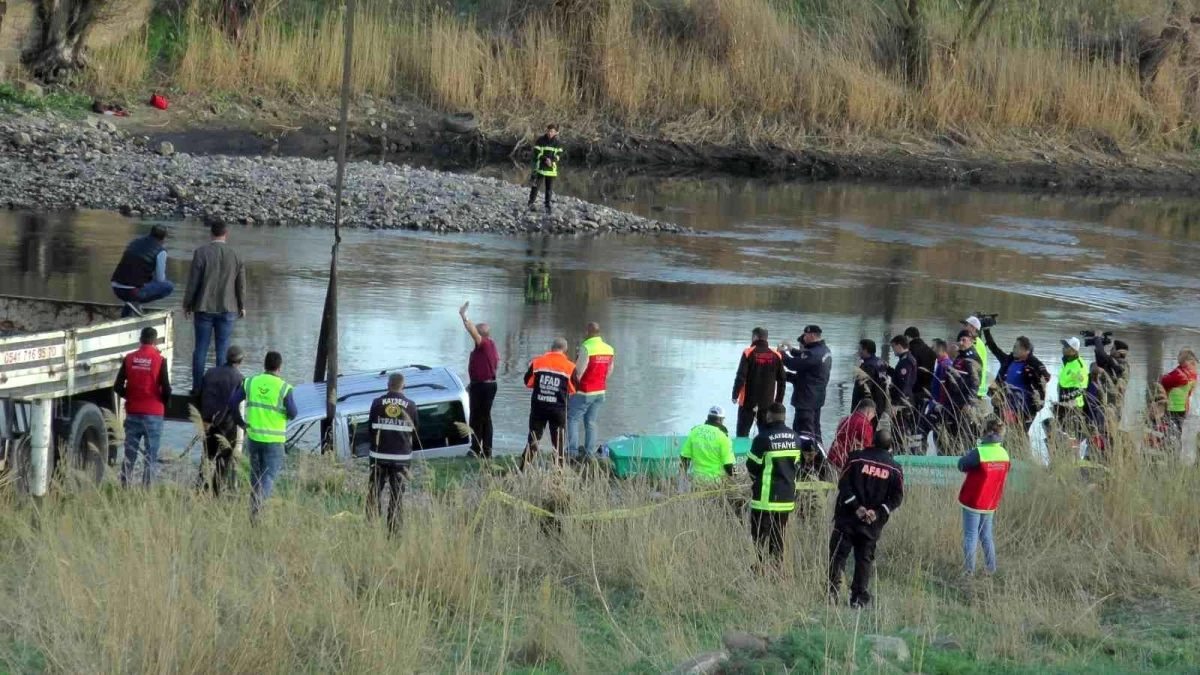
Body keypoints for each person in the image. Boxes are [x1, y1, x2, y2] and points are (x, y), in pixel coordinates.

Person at [828, 428, 904, 608]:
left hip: (847, 517)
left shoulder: (855, 458)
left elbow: (843, 485)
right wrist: (877, 512)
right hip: (872, 524)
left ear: (872, 442)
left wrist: (857, 507)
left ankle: (833, 593)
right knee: (864, 559)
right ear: (890, 447)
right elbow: (897, 498)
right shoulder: (895, 468)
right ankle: (858, 599)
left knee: (838, 556)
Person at [230, 351, 297, 520]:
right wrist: (286, 414)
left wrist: (241, 423)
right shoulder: (284, 388)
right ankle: (257, 508)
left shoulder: (251, 382)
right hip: (274, 441)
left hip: (254, 438)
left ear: (264, 365)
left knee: (256, 474)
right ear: (279, 367)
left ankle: (254, 509)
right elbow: (293, 413)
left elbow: (232, 402)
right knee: (268, 476)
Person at [183, 222, 247, 394]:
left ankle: (197, 388)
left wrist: (187, 304)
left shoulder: (201, 253)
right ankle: (220, 389)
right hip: (228, 308)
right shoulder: (236, 255)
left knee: (201, 349)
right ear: (226, 234)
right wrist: (242, 305)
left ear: (211, 234)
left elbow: (193, 283)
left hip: (203, 307)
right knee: (222, 351)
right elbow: (240, 285)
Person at [113, 327, 171, 488]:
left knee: (129, 454)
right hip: (154, 413)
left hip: (133, 412)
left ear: (140, 340)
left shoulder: (129, 358)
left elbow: (117, 386)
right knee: (150, 456)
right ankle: (146, 491)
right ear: (155, 342)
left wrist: (130, 396)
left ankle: (125, 487)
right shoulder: (160, 360)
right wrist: (164, 402)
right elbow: (166, 388)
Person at [365, 372, 420, 534]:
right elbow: (415, 432)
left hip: (379, 457)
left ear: (388, 385)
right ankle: (394, 532)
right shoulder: (411, 405)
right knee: (397, 497)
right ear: (404, 385)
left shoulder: (377, 403)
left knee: (374, 492)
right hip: (401, 459)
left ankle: (371, 527)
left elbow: (370, 428)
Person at [746, 403, 800, 566]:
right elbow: (796, 465)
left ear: (769, 416)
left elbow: (752, 466)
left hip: (765, 497)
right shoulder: (795, 437)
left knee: (759, 535)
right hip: (786, 497)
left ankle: (758, 568)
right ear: (785, 417)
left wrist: (756, 480)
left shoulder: (762, 438)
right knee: (779, 534)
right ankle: (777, 567)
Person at [957, 416, 1011, 575]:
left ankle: (969, 571)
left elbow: (961, 465)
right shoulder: (1004, 453)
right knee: (986, 536)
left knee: (970, 536)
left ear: (985, 432)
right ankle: (991, 568)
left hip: (973, 501)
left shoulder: (979, 452)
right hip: (991, 501)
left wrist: (971, 453)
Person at [195, 345, 246, 496]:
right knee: (223, 461)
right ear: (240, 361)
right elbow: (234, 405)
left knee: (206, 458)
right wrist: (241, 424)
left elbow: (201, 395)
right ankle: (217, 493)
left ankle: (199, 489)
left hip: (207, 423)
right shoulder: (239, 378)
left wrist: (205, 419)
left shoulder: (210, 372)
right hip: (226, 426)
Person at [522, 338, 576, 469]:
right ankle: (558, 473)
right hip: (558, 410)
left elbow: (527, 382)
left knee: (533, 440)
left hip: (538, 408)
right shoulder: (570, 366)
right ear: (565, 350)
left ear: (551, 348)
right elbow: (574, 388)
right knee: (558, 444)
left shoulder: (537, 362)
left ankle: (523, 469)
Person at [981, 330, 1050, 433]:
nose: (1012, 349)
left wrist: (1038, 400)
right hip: (1006, 407)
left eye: (1015, 347)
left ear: (1024, 349)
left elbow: (1046, 378)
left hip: (1024, 410)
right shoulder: (1009, 360)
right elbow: (995, 349)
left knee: (1020, 435)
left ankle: (1022, 448)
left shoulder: (1033, 364)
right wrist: (986, 331)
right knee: (1003, 433)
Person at [569, 322, 615, 458]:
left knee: (572, 418)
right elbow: (610, 371)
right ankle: (589, 452)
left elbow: (578, 372)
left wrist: (572, 388)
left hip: (585, 391)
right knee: (591, 422)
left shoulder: (586, 347)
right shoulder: (609, 349)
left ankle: (572, 451)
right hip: (600, 391)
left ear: (588, 332)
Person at [460, 302, 499, 458]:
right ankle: (485, 449)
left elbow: (473, 332)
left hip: (484, 387)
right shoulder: (488, 347)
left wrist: (463, 316)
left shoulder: (485, 345)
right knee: (484, 416)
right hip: (482, 385)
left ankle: (477, 449)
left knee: (478, 417)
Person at [732, 327, 786, 438]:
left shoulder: (748, 353)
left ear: (755, 337)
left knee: (742, 434)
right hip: (768, 403)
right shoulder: (776, 355)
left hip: (747, 402)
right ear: (766, 339)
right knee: (766, 434)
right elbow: (782, 381)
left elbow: (741, 376)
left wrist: (735, 395)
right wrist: (778, 401)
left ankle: (742, 454)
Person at [782, 324, 832, 441]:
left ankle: (809, 457)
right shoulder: (825, 350)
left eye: (805, 335)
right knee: (815, 429)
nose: (804, 338)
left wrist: (781, 353)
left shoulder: (813, 353)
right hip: (817, 398)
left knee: (805, 433)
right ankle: (820, 455)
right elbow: (805, 358)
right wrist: (791, 350)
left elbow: (792, 364)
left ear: (812, 335)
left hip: (806, 400)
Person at [110, 225, 173, 317]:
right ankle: (136, 302)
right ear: (164, 238)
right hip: (132, 292)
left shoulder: (134, 242)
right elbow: (160, 279)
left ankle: (127, 314)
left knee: (134, 292)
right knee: (168, 286)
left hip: (116, 287)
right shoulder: (161, 251)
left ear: (150, 233)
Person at [941, 331, 982, 454]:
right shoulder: (960, 357)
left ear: (971, 341)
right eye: (959, 340)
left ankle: (965, 458)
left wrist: (969, 402)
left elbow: (975, 382)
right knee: (952, 433)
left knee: (963, 433)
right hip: (953, 401)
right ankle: (954, 457)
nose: (960, 343)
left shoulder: (973, 358)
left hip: (964, 403)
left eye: (964, 340)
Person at [680, 406, 735, 484]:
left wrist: (682, 483)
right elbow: (729, 466)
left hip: (697, 481)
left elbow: (684, 459)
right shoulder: (723, 437)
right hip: (716, 483)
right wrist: (735, 478)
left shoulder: (695, 431)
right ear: (720, 420)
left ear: (708, 417)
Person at [1160, 348, 1198, 452]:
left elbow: (1164, 381)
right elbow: (1189, 392)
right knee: (1177, 432)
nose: (1178, 357)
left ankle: (1168, 452)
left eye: (1180, 356)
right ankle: (1176, 453)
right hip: (1183, 408)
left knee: (1168, 432)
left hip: (1171, 408)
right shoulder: (1193, 374)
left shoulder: (1180, 375)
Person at [887, 335, 918, 454]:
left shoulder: (906, 361)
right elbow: (899, 377)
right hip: (905, 401)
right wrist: (888, 369)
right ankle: (899, 452)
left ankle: (900, 454)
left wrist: (896, 405)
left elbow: (904, 385)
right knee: (899, 430)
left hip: (903, 403)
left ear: (899, 346)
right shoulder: (905, 359)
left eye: (893, 347)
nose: (893, 350)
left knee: (899, 431)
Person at [1055, 337, 1089, 441]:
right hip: (1064, 405)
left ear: (1073, 350)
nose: (1063, 348)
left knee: (1071, 437)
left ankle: (1073, 455)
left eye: (1066, 346)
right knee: (1062, 434)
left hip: (1073, 407)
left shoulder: (1079, 366)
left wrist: (1066, 398)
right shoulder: (1068, 362)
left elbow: (1082, 388)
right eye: (1063, 346)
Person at [851, 339, 890, 425]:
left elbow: (865, 389)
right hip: (879, 405)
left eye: (859, 348)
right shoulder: (880, 362)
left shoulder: (868, 366)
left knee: (864, 432)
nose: (858, 351)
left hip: (867, 408)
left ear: (865, 350)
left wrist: (861, 408)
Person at [828, 400, 876, 470]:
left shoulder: (845, 419)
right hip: (846, 463)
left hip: (832, 458)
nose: (873, 417)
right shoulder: (865, 425)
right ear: (869, 411)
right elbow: (867, 449)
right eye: (873, 414)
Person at [1093, 336, 1130, 424]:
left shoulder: (1120, 365)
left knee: (1106, 433)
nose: (1110, 351)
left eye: (1112, 349)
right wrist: (1100, 344)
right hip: (1106, 405)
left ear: (1118, 352)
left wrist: (1097, 337)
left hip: (1110, 408)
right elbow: (1100, 358)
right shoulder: (1113, 363)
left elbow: (1101, 354)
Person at [528, 123, 563, 213]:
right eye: (548, 131)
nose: (549, 133)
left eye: (551, 131)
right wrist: (545, 159)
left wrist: (552, 160)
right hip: (540, 168)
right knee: (535, 187)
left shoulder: (558, 143)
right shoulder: (540, 140)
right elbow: (537, 152)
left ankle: (547, 205)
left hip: (551, 170)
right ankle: (530, 203)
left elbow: (559, 155)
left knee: (549, 189)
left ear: (556, 133)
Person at [904, 327, 936, 404]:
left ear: (908, 337)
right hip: (928, 388)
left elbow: (909, 371)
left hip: (915, 388)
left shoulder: (910, 350)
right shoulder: (929, 349)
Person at [962, 316, 990, 400]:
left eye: (967, 325)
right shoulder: (975, 342)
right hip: (976, 387)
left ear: (973, 328)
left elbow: (974, 366)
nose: (964, 327)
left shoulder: (976, 343)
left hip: (976, 388)